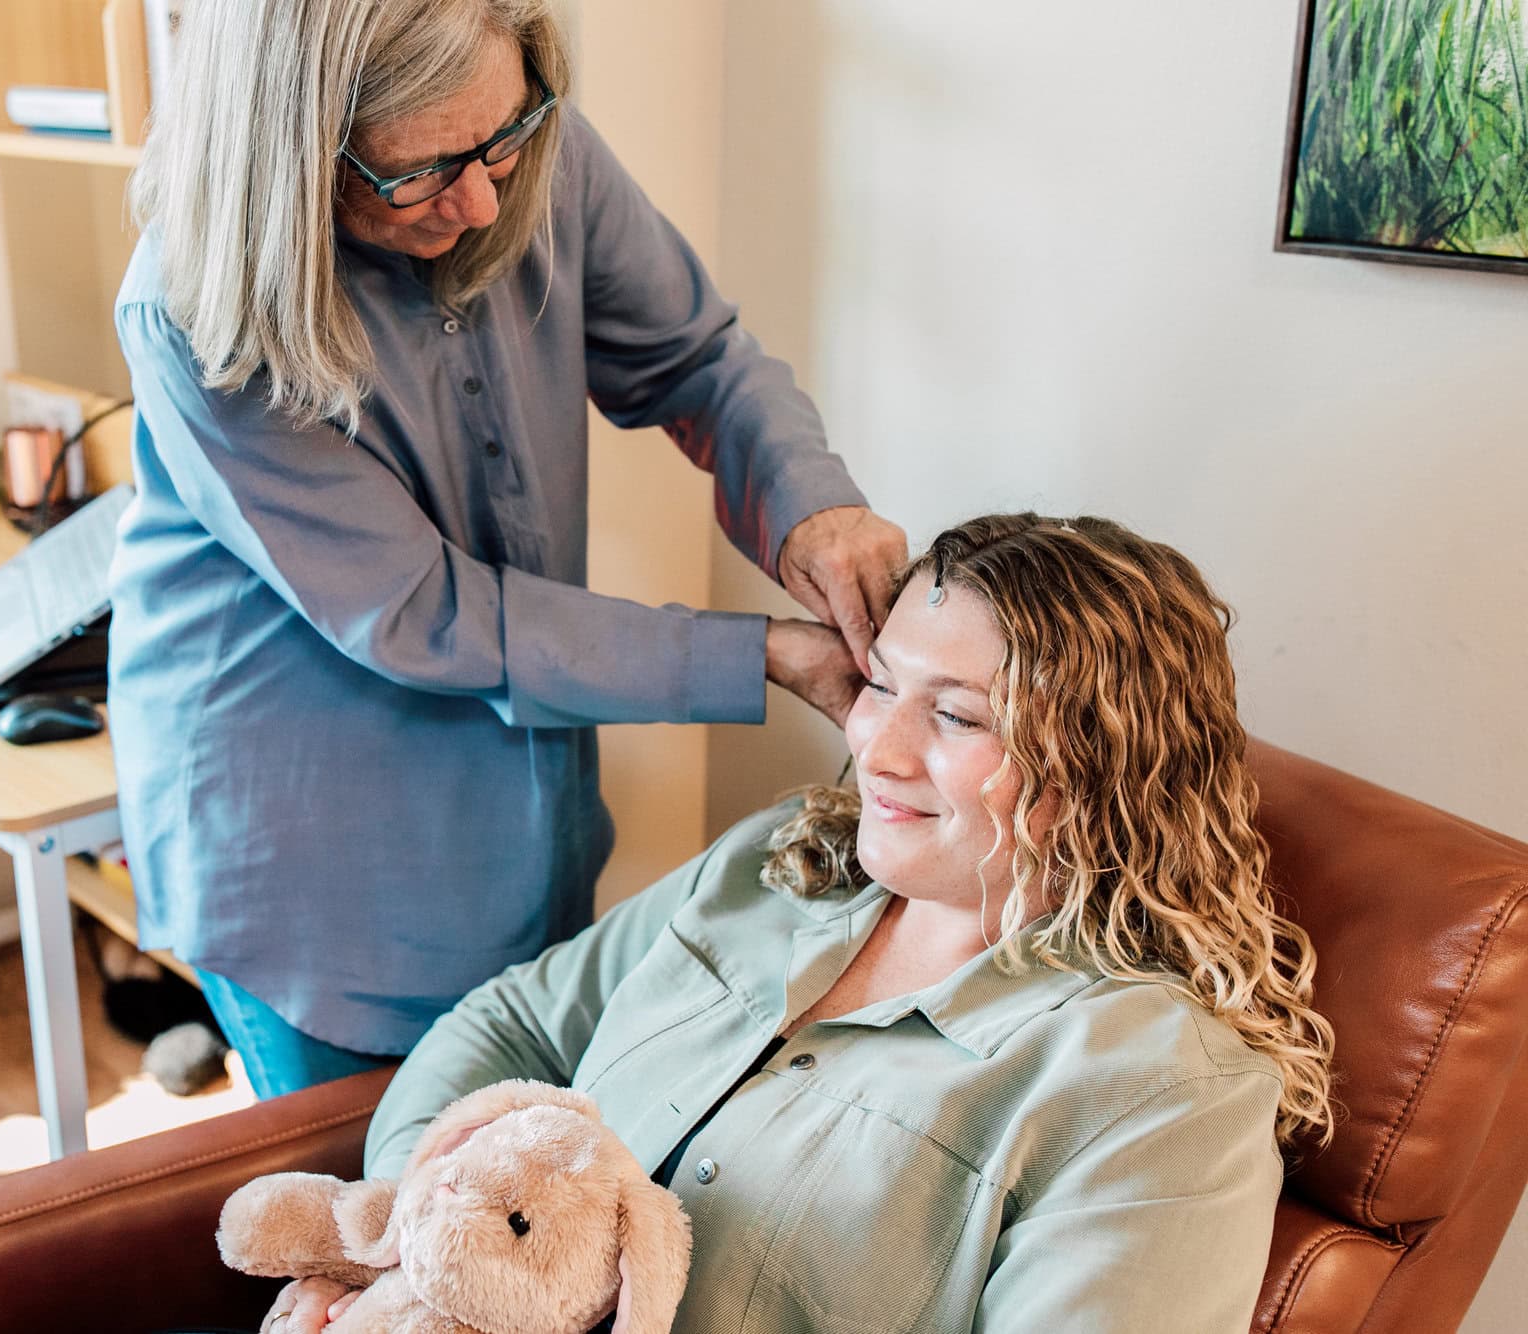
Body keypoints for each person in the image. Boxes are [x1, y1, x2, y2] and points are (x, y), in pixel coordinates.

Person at [266, 513, 1338, 1333]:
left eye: (955, 714)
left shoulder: (1158, 1088)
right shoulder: (780, 863)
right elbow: (510, 1028)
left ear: (1109, 764)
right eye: (878, 683)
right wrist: (414, 1249)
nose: (875, 744)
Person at [110, 0, 905, 1099]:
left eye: (503, 140)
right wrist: (761, 651)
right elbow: (425, 612)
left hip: (517, 805)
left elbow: (694, 360)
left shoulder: (524, 147)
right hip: (307, 834)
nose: (485, 201)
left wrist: (811, 510)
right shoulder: (193, 309)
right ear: (296, 150)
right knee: (380, 1200)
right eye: (423, 172)